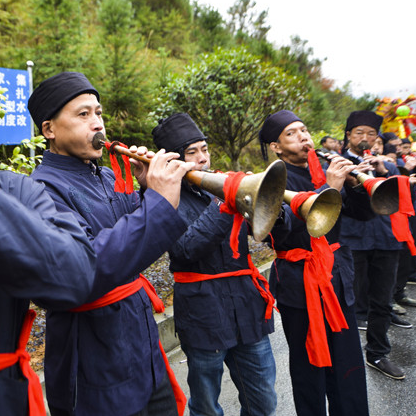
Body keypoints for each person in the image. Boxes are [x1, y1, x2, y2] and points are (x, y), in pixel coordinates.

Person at [28, 72, 194, 416]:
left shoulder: (105, 175)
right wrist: (159, 202)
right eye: (83, 114)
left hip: (144, 347)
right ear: (49, 130)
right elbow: (88, 263)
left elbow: (130, 235)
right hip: (92, 358)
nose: (97, 124)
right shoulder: (39, 190)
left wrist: (148, 189)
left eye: (99, 113)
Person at [151, 113, 277, 416]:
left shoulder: (221, 183)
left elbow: (265, 229)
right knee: (206, 404)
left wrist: (264, 201)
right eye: (192, 152)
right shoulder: (164, 196)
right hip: (202, 313)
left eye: (204, 149)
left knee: (264, 400)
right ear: (174, 160)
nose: (202, 159)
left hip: (248, 308)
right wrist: (227, 203)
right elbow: (185, 248)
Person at [259, 110, 372, 416]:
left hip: (336, 278)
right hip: (299, 282)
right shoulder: (271, 180)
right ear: (276, 147)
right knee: (309, 366)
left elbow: (363, 215)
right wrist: (330, 189)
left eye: (304, 130)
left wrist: (356, 183)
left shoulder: (322, 170)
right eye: (291, 133)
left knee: (348, 363)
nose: (303, 136)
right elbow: (286, 230)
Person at [0, 170, 96, 416]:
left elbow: (75, 273)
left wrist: (152, 192)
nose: (98, 127)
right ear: (49, 130)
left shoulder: (17, 186)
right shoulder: (47, 182)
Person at [340, 110, 407, 379]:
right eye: (359, 133)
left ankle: (378, 353)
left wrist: (383, 171)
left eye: (370, 134)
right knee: (349, 299)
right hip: (353, 239)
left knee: (382, 299)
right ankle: (345, 355)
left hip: (386, 239)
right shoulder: (337, 163)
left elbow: (401, 197)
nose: (365, 138)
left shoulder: (387, 166)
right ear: (348, 136)